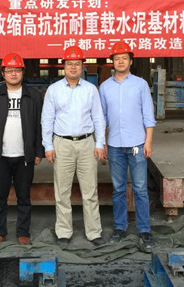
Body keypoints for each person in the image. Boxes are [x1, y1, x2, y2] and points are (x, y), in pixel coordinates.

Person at [41, 46, 107, 247]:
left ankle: (94, 232)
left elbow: (98, 118)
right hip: (62, 144)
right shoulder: (54, 90)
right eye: (69, 63)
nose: (73, 67)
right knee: (62, 192)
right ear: (64, 66)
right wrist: (48, 145)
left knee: (90, 191)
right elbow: (47, 119)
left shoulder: (90, 90)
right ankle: (63, 232)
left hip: (87, 144)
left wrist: (100, 143)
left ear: (82, 66)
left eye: (77, 64)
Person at [99, 41, 156, 251]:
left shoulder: (140, 85)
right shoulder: (105, 87)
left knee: (140, 189)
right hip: (114, 145)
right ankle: (120, 227)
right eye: (117, 59)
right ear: (112, 62)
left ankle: (144, 229)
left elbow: (148, 115)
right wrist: (102, 143)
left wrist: (148, 141)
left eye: (124, 58)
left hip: (137, 144)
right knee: (118, 189)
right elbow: (102, 119)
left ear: (131, 61)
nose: (121, 62)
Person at [0, 52, 44, 246]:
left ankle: (23, 232)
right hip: (0, 155)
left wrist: (38, 152)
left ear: (23, 72)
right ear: (3, 73)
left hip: (25, 155)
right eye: (9, 70)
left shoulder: (33, 96)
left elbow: (39, 126)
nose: (13, 74)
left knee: (24, 196)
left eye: (17, 70)